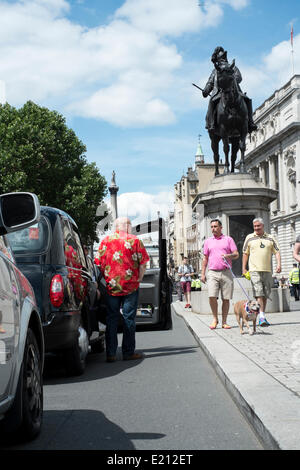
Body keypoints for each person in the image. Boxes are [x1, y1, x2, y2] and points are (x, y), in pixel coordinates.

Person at [95, 217, 149, 362]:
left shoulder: (106, 241)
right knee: (128, 318)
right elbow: (143, 263)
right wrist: (139, 278)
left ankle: (111, 353)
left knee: (111, 318)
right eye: (130, 225)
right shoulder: (135, 240)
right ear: (127, 226)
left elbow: (98, 263)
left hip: (112, 286)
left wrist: (106, 278)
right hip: (130, 285)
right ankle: (128, 352)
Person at [202, 46, 257, 133]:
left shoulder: (233, 68)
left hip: (234, 91)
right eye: (220, 59)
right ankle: (211, 123)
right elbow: (210, 82)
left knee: (247, 100)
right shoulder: (215, 71)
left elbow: (239, 77)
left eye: (223, 58)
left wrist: (229, 79)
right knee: (212, 101)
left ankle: (250, 122)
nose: (223, 60)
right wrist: (206, 90)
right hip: (219, 92)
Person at [242, 217, 281, 327]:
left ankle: (260, 314)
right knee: (259, 293)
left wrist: (279, 264)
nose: (256, 228)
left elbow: (277, 252)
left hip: (267, 270)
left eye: (258, 226)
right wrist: (244, 269)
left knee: (265, 294)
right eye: (254, 226)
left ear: (263, 226)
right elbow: (245, 253)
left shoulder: (270, 238)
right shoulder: (249, 238)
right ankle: (262, 317)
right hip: (254, 270)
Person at [201, 219, 239, 330]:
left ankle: (224, 321)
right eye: (212, 226)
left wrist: (228, 256)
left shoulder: (228, 239)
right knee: (212, 296)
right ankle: (215, 319)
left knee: (226, 299)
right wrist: (203, 273)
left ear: (221, 227)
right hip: (212, 272)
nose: (213, 228)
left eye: (215, 226)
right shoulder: (208, 241)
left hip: (226, 272)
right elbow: (205, 258)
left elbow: (236, 254)